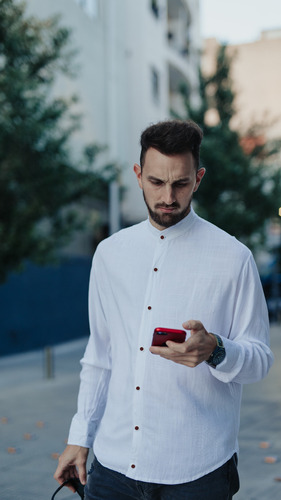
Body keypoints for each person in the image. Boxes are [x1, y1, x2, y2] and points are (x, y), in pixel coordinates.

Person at [54, 119, 273, 499]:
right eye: (156, 182)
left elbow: (260, 359)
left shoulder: (234, 258)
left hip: (198, 472)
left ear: (198, 178)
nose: (168, 196)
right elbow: (100, 356)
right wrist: (79, 438)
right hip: (113, 469)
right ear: (138, 175)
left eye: (181, 183)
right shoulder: (110, 254)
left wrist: (216, 350)